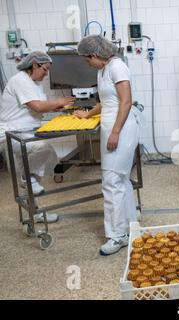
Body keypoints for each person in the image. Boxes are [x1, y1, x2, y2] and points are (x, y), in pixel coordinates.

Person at [75, 35, 140, 256]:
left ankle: (116, 236)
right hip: (113, 128)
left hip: (120, 130)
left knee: (111, 182)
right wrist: (87, 114)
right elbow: (106, 101)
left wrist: (115, 132)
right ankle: (131, 226)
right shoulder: (103, 69)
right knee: (120, 179)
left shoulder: (117, 67)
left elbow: (126, 101)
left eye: (87, 60)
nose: (87, 63)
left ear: (94, 55)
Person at [0, 51, 76, 223]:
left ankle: (35, 214)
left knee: (34, 177)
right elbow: (37, 106)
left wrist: (53, 107)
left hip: (27, 132)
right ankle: (26, 179)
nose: (46, 73)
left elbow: (38, 106)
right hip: (14, 134)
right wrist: (58, 102)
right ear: (35, 65)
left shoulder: (34, 84)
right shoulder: (20, 80)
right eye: (45, 69)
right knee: (43, 150)